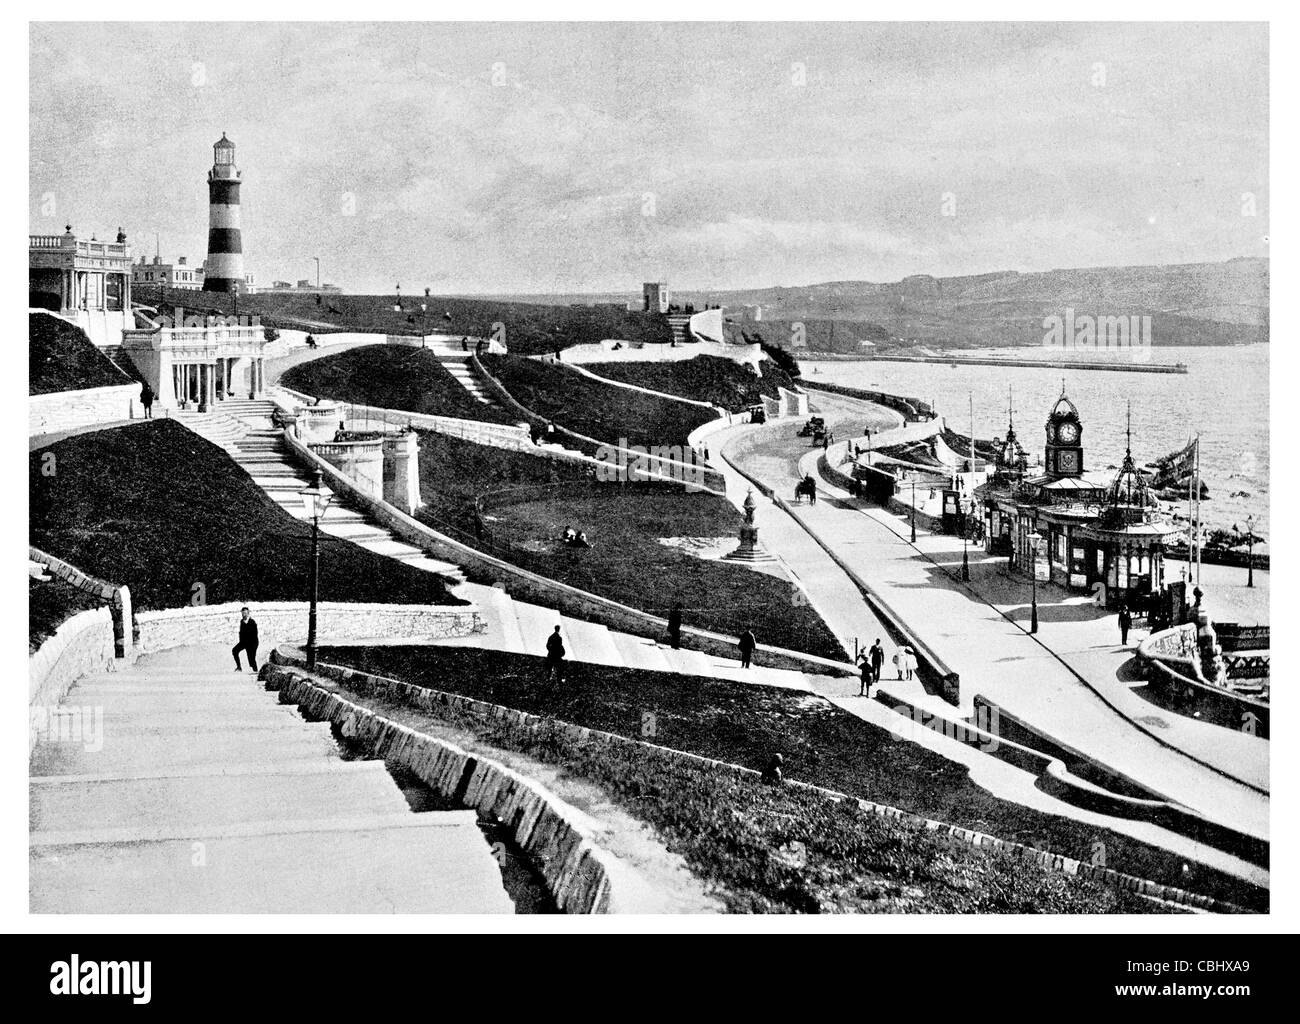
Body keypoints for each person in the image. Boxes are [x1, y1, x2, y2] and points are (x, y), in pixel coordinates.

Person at [232, 607, 259, 672]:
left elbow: (255, 634)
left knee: (251, 659)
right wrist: (241, 642)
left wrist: (250, 645)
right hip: (244, 642)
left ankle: (256, 671)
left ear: (248, 613)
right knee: (235, 651)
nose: (244, 614)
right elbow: (241, 633)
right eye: (243, 613)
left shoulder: (252, 622)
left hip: (252, 643)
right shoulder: (242, 622)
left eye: (245, 613)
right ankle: (239, 667)